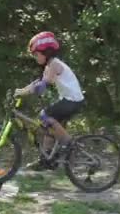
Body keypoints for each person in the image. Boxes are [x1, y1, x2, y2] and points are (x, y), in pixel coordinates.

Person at [14, 31, 85, 170]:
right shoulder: (50, 65)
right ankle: (46, 159)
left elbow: (43, 84)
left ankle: (70, 144)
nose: (35, 58)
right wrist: (20, 91)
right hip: (70, 100)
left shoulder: (54, 65)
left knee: (44, 115)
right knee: (48, 127)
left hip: (72, 101)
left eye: (36, 54)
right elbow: (37, 82)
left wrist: (33, 90)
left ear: (46, 52)